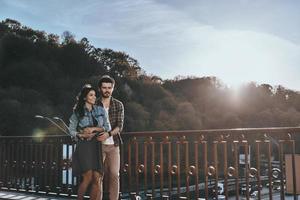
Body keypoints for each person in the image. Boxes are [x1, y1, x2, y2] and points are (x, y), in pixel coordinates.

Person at [68, 84, 111, 200]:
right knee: (87, 177)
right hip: (84, 145)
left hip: (96, 145)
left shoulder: (100, 110)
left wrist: (94, 129)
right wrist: (81, 134)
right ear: (84, 97)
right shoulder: (77, 112)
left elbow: (107, 127)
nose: (94, 97)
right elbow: (71, 130)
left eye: (94, 95)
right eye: (91, 95)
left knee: (97, 178)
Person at [89, 75, 124, 200]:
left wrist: (108, 134)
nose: (107, 90)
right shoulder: (93, 105)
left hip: (113, 145)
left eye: (109, 87)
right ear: (100, 88)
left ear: (113, 88)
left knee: (115, 175)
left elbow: (119, 126)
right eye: (104, 87)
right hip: (98, 145)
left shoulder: (119, 105)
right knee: (98, 176)